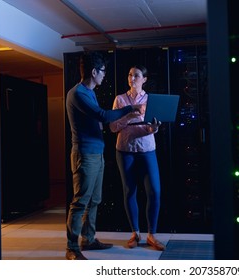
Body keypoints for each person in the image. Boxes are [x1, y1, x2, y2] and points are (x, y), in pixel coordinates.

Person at [65, 52, 144, 260]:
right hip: (85, 153)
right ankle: (72, 247)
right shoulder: (78, 94)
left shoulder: (89, 92)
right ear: (94, 72)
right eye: (102, 71)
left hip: (96, 153)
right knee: (81, 201)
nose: (104, 75)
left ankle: (88, 239)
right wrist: (130, 109)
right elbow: (102, 115)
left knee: (95, 199)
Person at [109, 65, 165, 251]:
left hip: (147, 149)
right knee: (129, 191)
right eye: (130, 74)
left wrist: (154, 128)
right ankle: (135, 233)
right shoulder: (120, 99)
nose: (132, 78)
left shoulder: (150, 99)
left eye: (137, 75)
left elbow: (150, 128)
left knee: (154, 191)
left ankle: (152, 235)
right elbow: (113, 127)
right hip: (125, 151)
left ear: (144, 79)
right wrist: (129, 114)